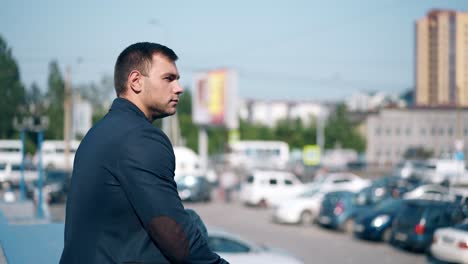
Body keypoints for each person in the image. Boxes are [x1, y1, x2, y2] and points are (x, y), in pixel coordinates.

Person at [60, 42, 227, 264]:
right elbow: (175, 236)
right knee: (192, 226)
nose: (179, 88)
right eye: (168, 78)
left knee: (193, 220)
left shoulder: (98, 132)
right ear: (136, 81)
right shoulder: (141, 138)